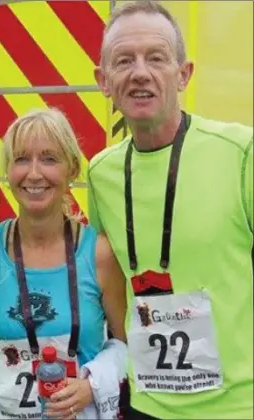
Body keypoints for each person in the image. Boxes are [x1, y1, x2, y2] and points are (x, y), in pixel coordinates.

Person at [88, 2, 253, 419]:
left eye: (156, 58)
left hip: (236, 406)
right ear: (103, 81)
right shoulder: (101, 172)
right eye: (124, 61)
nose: (140, 72)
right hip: (148, 403)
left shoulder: (241, 153)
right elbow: (109, 277)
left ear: (184, 74)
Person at [0, 108, 128, 420]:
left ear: (71, 168)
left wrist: (93, 384)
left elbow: (130, 343)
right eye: (21, 159)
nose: (34, 174)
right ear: (8, 170)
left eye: (49, 158)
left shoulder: (98, 253)